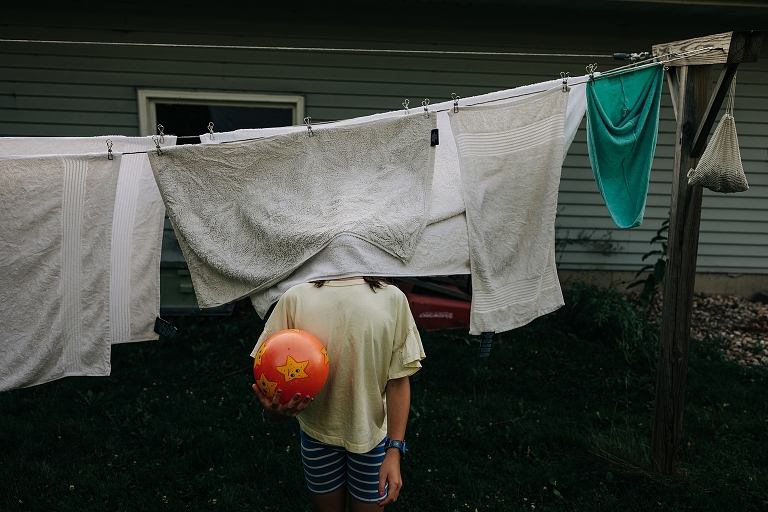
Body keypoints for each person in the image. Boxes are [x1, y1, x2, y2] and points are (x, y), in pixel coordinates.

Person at [251, 276, 425, 512]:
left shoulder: (393, 299)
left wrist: (394, 449)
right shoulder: (295, 298)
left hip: (371, 438)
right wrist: (274, 414)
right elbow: (270, 365)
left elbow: (398, 379)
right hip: (316, 436)